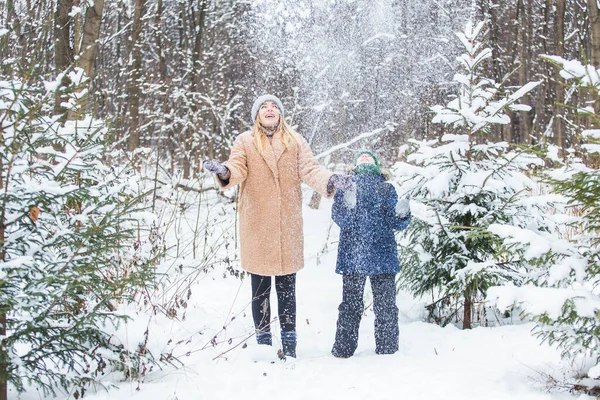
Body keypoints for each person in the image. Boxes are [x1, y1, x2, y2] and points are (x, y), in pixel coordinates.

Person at [203, 94, 353, 358]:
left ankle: (290, 346)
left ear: (280, 114)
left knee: (287, 290)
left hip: (287, 226)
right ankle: (263, 347)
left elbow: (310, 170)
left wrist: (332, 180)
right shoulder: (245, 142)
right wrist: (224, 171)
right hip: (257, 225)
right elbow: (237, 167)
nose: (269, 109)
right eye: (264, 107)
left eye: (274, 106)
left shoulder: (294, 141)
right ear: (257, 116)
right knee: (260, 289)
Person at [330, 149, 411, 358]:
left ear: (376, 164)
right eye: (361, 157)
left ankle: (388, 350)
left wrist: (402, 214)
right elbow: (341, 220)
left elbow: (396, 222)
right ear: (354, 165)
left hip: (382, 254)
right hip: (353, 255)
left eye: (369, 157)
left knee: (386, 307)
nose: (365, 158)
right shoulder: (347, 187)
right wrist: (347, 206)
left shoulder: (386, 189)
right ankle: (343, 350)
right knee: (350, 306)